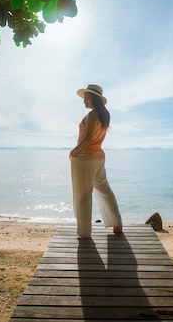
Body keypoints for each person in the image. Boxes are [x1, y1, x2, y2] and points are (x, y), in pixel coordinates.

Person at [69, 84, 123, 238]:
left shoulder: (93, 115)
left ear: (94, 99)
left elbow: (87, 138)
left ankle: (84, 232)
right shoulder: (104, 114)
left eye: (87, 98)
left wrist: (74, 151)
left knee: (82, 195)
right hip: (99, 156)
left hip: (85, 158)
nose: (84, 101)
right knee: (104, 189)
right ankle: (117, 223)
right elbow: (94, 139)